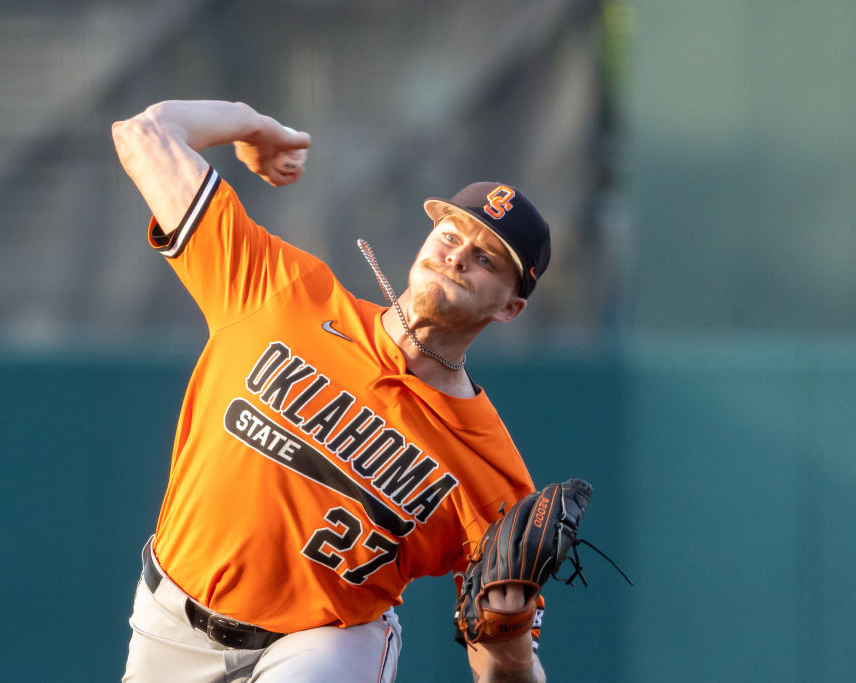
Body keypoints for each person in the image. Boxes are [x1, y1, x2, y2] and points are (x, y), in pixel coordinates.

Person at [112, 99, 553, 683]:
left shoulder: (491, 472)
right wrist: (255, 124)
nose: (457, 257)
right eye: (451, 234)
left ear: (510, 308)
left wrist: (510, 626)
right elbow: (145, 134)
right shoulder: (282, 291)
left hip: (323, 643)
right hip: (168, 618)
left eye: (486, 258)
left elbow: (501, 672)